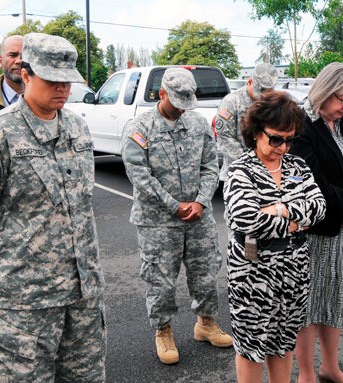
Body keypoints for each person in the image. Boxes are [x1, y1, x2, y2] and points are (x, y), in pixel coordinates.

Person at [0, 33, 106, 382]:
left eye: (67, 81)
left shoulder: (78, 129)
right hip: (19, 308)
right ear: (26, 74)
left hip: (82, 302)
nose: (62, 88)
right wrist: (4, 258)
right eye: (52, 79)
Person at [121, 67, 232, 365]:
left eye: (187, 100)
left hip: (199, 217)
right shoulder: (140, 127)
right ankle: (163, 330)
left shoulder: (198, 124)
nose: (183, 106)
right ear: (161, 94)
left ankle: (206, 323)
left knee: (206, 271)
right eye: (177, 100)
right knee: (160, 280)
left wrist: (200, 201)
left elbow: (210, 164)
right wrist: (174, 205)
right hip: (157, 220)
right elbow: (138, 174)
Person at [224, 91, 326, 383]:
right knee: (252, 344)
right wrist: (295, 220)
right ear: (256, 132)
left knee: (284, 341)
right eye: (276, 139)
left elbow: (318, 208)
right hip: (252, 269)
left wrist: (280, 209)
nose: (283, 147)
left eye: (289, 139)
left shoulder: (298, 167)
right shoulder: (241, 171)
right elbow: (248, 220)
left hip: (294, 267)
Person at [290, 62, 343, 383]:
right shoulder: (302, 126)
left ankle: (330, 367)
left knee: (335, 297)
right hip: (317, 230)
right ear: (324, 91)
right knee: (310, 302)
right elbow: (314, 182)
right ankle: (307, 374)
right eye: (342, 99)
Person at [215, 62, 278, 182]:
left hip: (267, 172)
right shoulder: (231, 101)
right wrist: (251, 162)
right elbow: (224, 136)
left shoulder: (272, 103)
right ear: (249, 82)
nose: (263, 96)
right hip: (238, 172)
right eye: (260, 92)